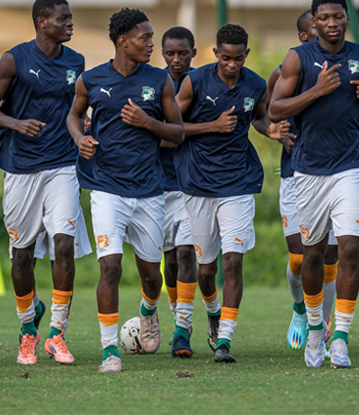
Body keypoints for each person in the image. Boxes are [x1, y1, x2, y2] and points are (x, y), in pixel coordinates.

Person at [67, 7, 184, 373]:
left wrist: (148, 122)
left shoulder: (160, 80)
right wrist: (80, 139)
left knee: (152, 276)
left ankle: (148, 312)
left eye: (151, 38)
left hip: (149, 190)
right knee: (110, 267)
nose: (151, 44)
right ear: (123, 42)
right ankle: (109, 352)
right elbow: (73, 115)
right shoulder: (91, 79)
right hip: (106, 188)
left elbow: (178, 133)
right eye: (144, 38)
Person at [269, 0, 359, 368]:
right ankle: (315, 327)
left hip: (350, 166)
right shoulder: (297, 59)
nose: (331, 23)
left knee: (349, 249)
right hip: (308, 170)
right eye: (323, 18)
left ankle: (341, 337)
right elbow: (275, 109)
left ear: (347, 18)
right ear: (314, 22)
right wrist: (316, 91)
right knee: (313, 255)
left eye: (337, 16)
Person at [0, 0, 90, 366]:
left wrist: (84, 127)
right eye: (63, 18)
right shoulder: (14, 59)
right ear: (42, 22)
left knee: (63, 245)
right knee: (22, 253)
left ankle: (57, 333)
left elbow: (76, 110)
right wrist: (16, 123)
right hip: (21, 167)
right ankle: (29, 328)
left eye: (70, 17)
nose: (70, 23)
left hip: (63, 165)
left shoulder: (76, 62)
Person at [175, 24, 289, 363]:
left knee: (233, 262)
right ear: (215, 54)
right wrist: (212, 126)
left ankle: (224, 339)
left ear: (246, 55)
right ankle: (213, 312)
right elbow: (172, 127)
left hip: (238, 183)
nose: (232, 65)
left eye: (238, 59)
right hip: (198, 184)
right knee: (206, 270)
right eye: (225, 58)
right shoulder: (194, 82)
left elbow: (258, 118)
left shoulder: (255, 84)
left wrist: (270, 130)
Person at [160, 26, 218, 358]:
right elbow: (160, 134)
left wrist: (177, 133)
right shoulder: (154, 85)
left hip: (192, 183)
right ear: (163, 54)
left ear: (194, 53)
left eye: (183, 53)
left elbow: (174, 133)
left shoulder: (202, 84)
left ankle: (182, 330)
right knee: (167, 261)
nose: (177, 59)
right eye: (170, 53)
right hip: (158, 184)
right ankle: (185, 315)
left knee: (187, 255)